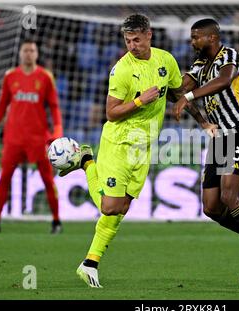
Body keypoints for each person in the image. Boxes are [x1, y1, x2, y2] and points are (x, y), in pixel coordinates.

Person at [59, 14, 185, 288]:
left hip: (144, 145)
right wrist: (140, 101)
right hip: (120, 142)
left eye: (136, 39)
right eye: (127, 40)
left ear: (149, 35)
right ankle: (87, 162)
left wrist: (197, 102)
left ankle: (90, 263)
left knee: (123, 207)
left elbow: (178, 91)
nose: (131, 45)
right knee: (110, 205)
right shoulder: (122, 70)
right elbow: (111, 113)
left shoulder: (166, 60)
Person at [173, 19, 239, 286]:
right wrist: (165, 84)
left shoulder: (229, 55)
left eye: (197, 37)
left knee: (230, 195)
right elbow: (181, 86)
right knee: (211, 206)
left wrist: (189, 97)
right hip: (220, 137)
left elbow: (224, 81)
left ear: (212, 37)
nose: (192, 42)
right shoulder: (199, 65)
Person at [0, 39, 63, 234]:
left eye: (32, 50)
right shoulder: (10, 77)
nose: (28, 54)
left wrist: (58, 130)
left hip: (38, 138)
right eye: (25, 50)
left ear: (37, 54)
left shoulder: (45, 77)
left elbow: (54, 107)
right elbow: (1, 107)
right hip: (13, 138)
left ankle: (56, 221)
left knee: (48, 180)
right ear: (20, 53)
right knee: (4, 178)